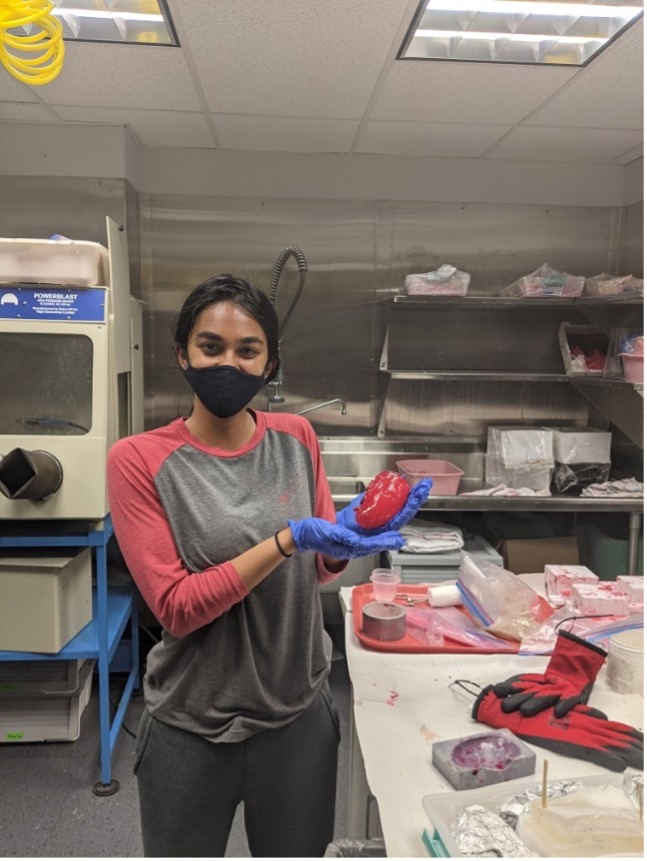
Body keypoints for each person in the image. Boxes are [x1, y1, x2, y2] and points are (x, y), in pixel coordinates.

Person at [107, 273, 430, 858]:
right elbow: (176, 609)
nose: (228, 363)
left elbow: (320, 566)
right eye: (211, 347)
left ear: (269, 364)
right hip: (191, 724)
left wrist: (348, 537)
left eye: (247, 351)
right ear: (182, 353)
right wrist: (285, 540)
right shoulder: (139, 460)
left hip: (297, 717)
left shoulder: (296, 436)